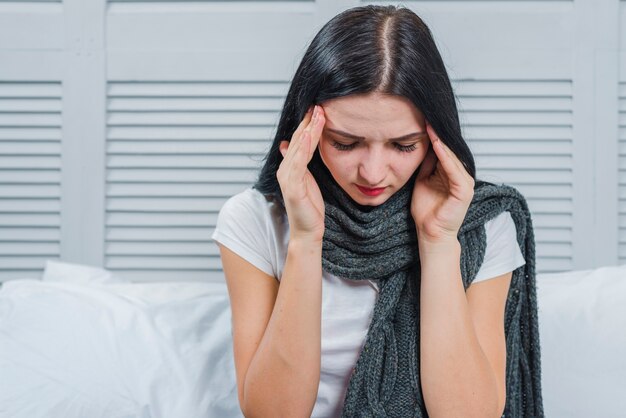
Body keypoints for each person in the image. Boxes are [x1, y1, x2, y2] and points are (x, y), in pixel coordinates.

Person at [211, 5, 544, 418]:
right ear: (304, 131)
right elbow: (272, 413)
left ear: (436, 138)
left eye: (403, 146)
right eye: (345, 144)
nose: (372, 172)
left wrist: (438, 242)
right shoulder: (253, 219)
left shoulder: (482, 223)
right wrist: (305, 239)